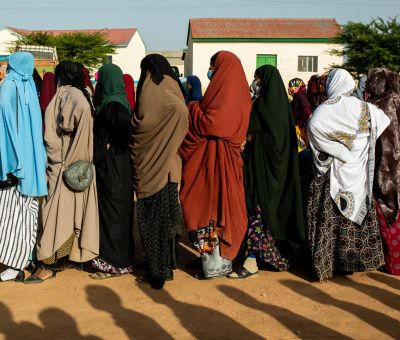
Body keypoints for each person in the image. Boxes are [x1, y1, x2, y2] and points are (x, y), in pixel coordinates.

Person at [307, 68, 390, 281]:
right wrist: (355, 149)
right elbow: (383, 121)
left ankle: (326, 264)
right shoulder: (365, 108)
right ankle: (354, 262)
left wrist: (338, 151)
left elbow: (314, 127)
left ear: (333, 84)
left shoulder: (324, 110)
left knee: (329, 217)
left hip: (331, 174)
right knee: (354, 219)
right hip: (359, 175)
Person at [179, 51, 251, 279]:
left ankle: (214, 267)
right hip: (219, 163)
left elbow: (214, 124)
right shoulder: (237, 94)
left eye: (213, 66)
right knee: (214, 213)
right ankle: (211, 262)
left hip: (215, 165)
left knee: (210, 212)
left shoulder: (223, 96)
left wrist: (193, 108)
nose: (211, 72)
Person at [26, 61, 99, 283]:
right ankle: (65, 257)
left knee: (54, 213)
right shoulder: (82, 94)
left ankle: (48, 263)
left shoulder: (68, 95)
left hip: (64, 164)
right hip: (79, 165)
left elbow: (62, 128)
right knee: (71, 212)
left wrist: (57, 152)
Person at [229, 66, 305, 278]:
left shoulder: (263, 107)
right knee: (272, 213)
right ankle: (272, 256)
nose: (256, 84)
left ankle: (252, 261)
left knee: (258, 213)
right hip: (278, 174)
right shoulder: (284, 109)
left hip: (262, 173)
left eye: (258, 80)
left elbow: (269, 141)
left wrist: (253, 138)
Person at [131, 54, 188, 289]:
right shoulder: (172, 85)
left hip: (149, 168)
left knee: (152, 222)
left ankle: (157, 272)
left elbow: (140, 124)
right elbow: (181, 112)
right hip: (170, 168)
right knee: (168, 221)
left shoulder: (150, 87)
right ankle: (168, 265)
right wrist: (171, 138)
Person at [0, 52, 47, 282]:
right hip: (31, 163)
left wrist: (11, 159)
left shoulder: (9, 84)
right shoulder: (28, 84)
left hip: (14, 163)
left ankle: (13, 264)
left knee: (10, 215)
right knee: (27, 213)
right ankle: (25, 257)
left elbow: (4, 120)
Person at [90, 63, 135, 280]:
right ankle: (119, 260)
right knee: (116, 213)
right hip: (119, 166)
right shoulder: (118, 101)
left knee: (113, 214)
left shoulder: (114, 104)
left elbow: (123, 128)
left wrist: (110, 147)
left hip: (113, 167)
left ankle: (115, 263)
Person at [366, 68, 400, 275]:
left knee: (387, 211)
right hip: (396, 166)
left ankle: (393, 264)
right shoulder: (396, 98)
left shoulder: (376, 105)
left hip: (384, 167)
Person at [288, 78, 313, 152]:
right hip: (299, 127)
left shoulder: (300, 96)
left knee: (301, 150)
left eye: (291, 87)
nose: (290, 89)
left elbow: (307, 110)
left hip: (300, 129)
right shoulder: (298, 95)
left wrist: (300, 123)